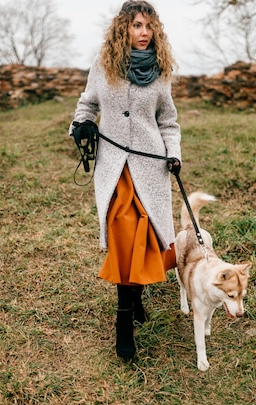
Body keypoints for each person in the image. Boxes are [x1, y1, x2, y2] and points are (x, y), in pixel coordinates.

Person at [70, 0, 181, 361]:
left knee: (147, 237)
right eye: (136, 25)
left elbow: (169, 122)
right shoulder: (103, 68)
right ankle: (123, 322)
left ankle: (134, 296)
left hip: (150, 167)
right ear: (124, 29)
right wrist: (82, 126)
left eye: (149, 26)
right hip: (114, 167)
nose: (144, 32)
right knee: (123, 231)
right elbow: (85, 106)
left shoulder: (162, 73)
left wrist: (174, 153)